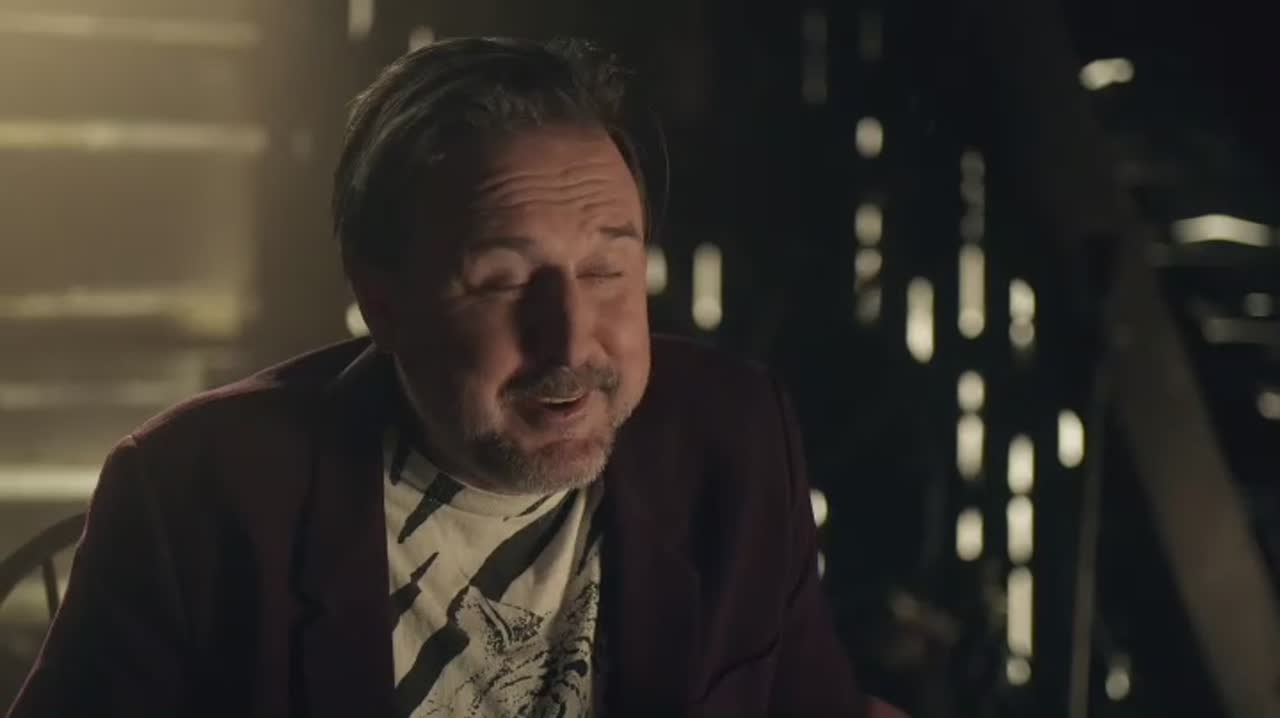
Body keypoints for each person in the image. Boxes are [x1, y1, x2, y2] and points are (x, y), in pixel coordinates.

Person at [8, 37, 903, 718]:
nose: (571, 341)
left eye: (606, 271)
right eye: (504, 282)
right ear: (382, 300)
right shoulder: (199, 494)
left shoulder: (732, 437)